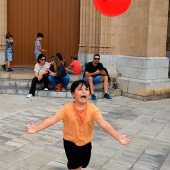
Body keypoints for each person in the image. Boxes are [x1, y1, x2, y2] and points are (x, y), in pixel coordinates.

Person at [26, 79, 132, 170]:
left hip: (86, 142)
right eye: (80, 89)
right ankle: (73, 164)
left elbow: (103, 123)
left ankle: (72, 164)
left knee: (83, 164)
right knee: (77, 166)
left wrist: (118, 136)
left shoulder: (93, 109)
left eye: (86, 89)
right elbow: (52, 119)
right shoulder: (66, 109)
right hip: (70, 142)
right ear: (73, 93)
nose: (84, 92)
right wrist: (37, 128)